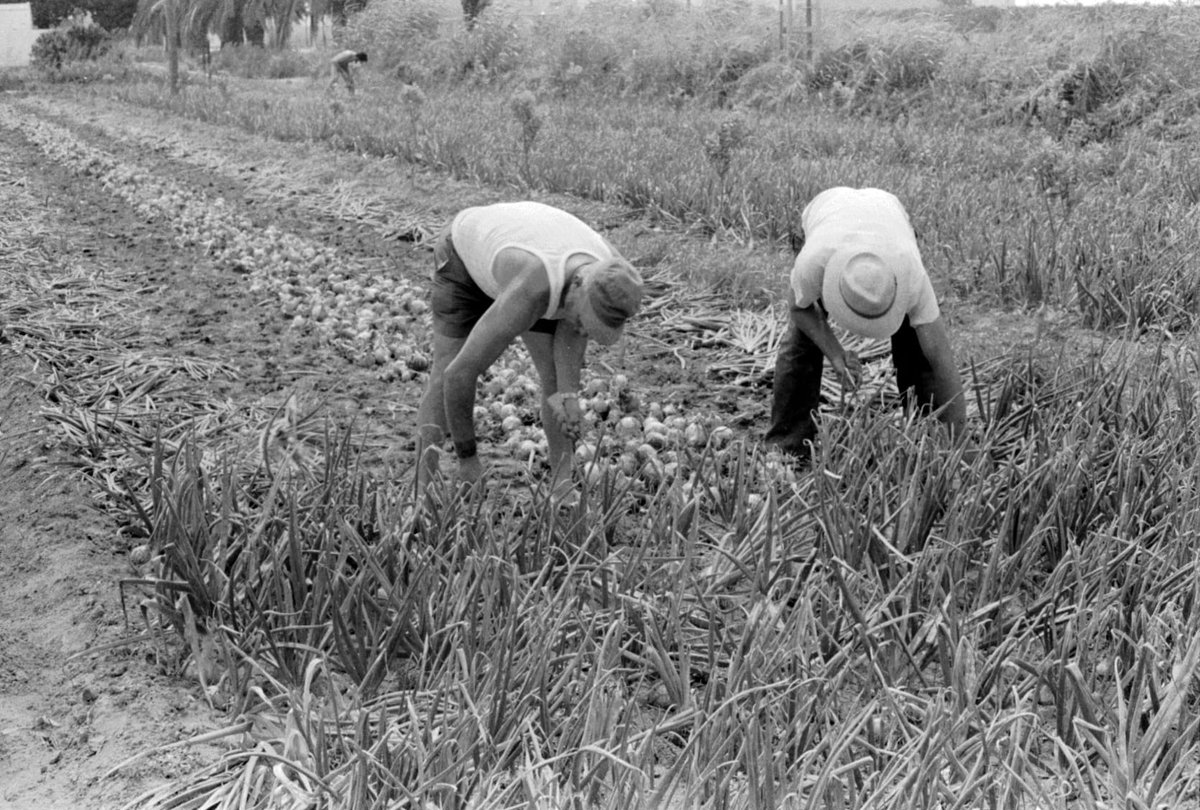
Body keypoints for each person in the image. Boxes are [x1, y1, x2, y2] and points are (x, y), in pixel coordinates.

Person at [415, 201, 645, 494]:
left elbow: (570, 340)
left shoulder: (609, 274)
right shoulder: (533, 290)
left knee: (554, 379)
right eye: (583, 322)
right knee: (444, 370)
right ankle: (420, 492)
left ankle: (561, 488)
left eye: (589, 328)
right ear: (576, 288)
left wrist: (568, 397)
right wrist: (468, 459)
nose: (582, 331)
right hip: (465, 256)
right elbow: (458, 375)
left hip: (536, 256)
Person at [767, 187, 965, 461]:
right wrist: (836, 355)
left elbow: (941, 360)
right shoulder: (814, 261)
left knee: (917, 348)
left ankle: (930, 441)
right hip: (828, 212)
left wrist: (960, 442)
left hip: (889, 215)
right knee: (802, 341)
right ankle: (787, 447)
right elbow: (799, 309)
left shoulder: (911, 277)